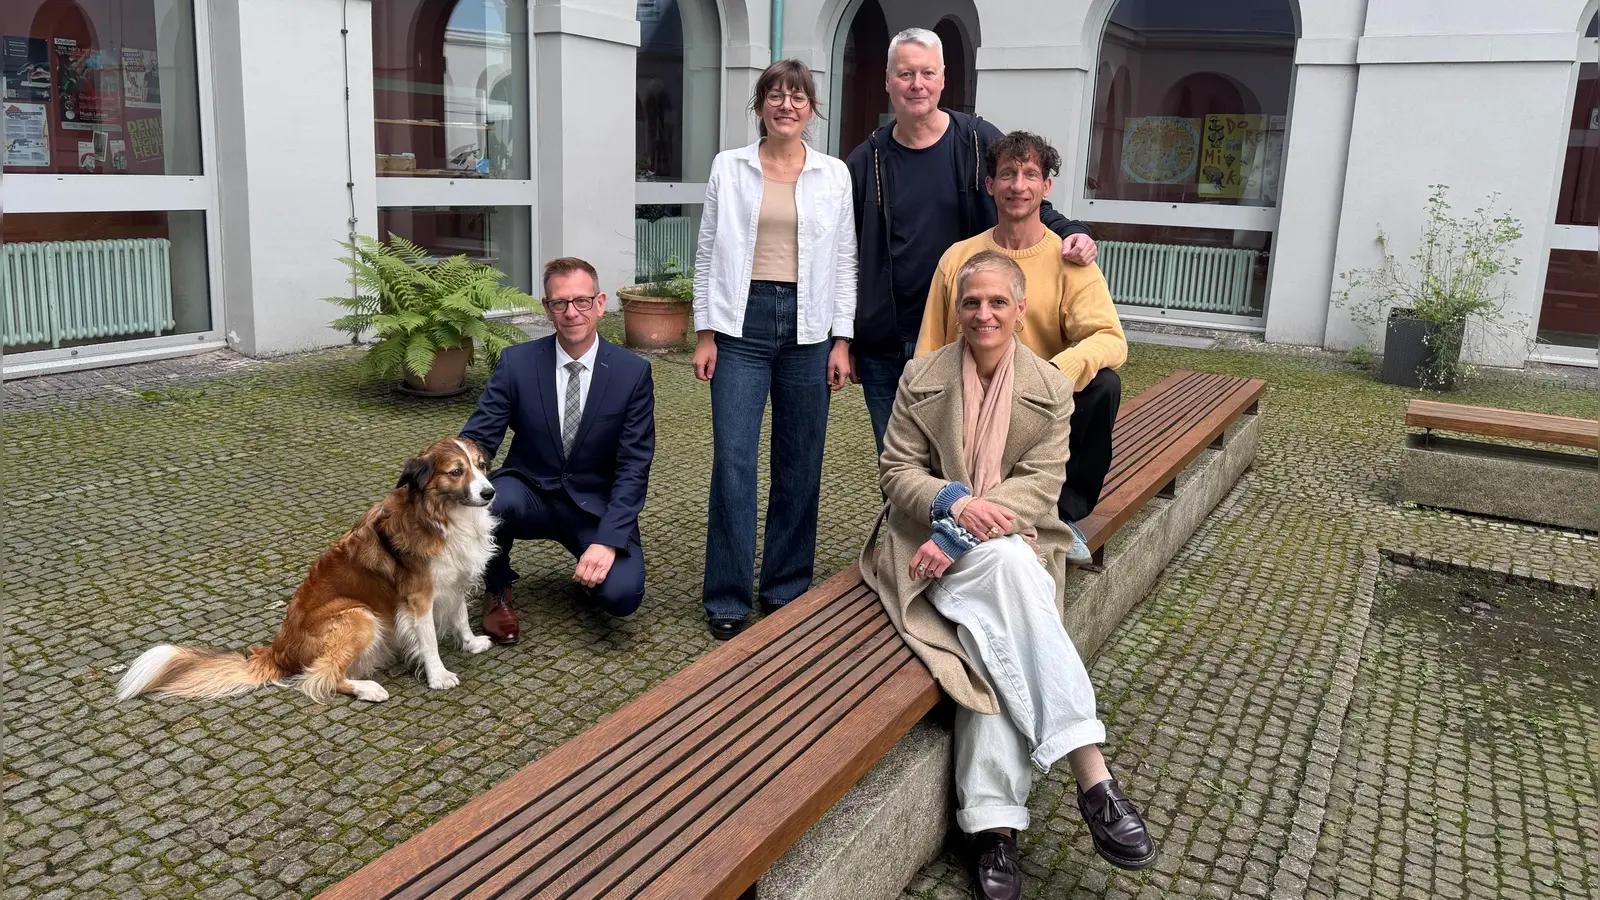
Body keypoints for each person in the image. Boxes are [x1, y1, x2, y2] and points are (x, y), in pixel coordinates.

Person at [860, 251, 1155, 900]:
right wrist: (952, 505)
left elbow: (1040, 490)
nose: (984, 313)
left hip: (1004, 545)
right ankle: (1092, 772)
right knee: (1012, 575)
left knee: (993, 638)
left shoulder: (1050, 389)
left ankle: (993, 827)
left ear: (1021, 311)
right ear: (957, 310)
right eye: (972, 302)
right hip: (922, 553)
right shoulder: (922, 377)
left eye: (998, 302)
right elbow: (897, 473)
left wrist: (962, 532)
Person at [846, 27, 1100, 456]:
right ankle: (910, 526)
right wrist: (846, 339)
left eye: (927, 73)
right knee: (900, 462)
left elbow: (1020, 197)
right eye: (905, 74)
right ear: (888, 81)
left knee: (963, 457)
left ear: (943, 78)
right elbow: (845, 257)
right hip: (886, 343)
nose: (917, 84)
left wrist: (1074, 230)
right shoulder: (863, 161)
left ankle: (964, 525)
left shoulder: (978, 142)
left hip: (961, 334)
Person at [692, 59, 857, 640]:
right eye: (776, 95)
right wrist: (705, 331)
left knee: (800, 462)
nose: (787, 105)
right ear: (760, 104)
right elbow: (708, 249)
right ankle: (728, 596)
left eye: (798, 96)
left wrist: (842, 339)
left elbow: (843, 260)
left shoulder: (834, 174)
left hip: (810, 330)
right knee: (734, 462)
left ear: (812, 108)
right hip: (741, 325)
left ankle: (785, 586)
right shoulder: (729, 167)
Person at [915, 131, 1127, 564]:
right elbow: (929, 349)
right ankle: (952, 506)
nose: (1018, 185)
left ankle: (1063, 514)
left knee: (1105, 385)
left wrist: (1055, 372)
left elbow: (1110, 337)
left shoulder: (1069, 261)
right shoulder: (958, 258)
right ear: (990, 184)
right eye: (1007, 174)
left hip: (1040, 405)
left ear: (1046, 188)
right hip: (970, 401)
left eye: (1031, 174)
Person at [460, 257, 656, 643]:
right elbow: (479, 438)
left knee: (621, 597)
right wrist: (441, 473)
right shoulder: (517, 363)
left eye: (581, 301)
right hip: (529, 492)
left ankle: (591, 565)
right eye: (560, 303)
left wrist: (607, 541)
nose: (572, 312)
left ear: (600, 303)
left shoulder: (633, 373)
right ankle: (497, 588)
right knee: (490, 502)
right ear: (547, 308)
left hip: (593, 505)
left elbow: (634, 466)